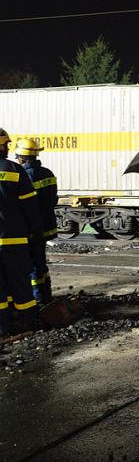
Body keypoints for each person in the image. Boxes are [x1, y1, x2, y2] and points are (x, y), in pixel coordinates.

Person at [0, 128, 42, 337]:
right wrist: (36, 231)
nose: (8, 148)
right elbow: (30, 207)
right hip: (13, 239)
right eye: (6, 145)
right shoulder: (15, 170)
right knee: (20, 283)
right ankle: (27, 321)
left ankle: (3, 326)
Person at [15, 138, 58, 304]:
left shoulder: (25, 176)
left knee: (31, 264)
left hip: (33, 228)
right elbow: (53, 199)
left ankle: (38, 300)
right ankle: (46, 295)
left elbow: (26, 205)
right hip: (47, 226)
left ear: (21, 157)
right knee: (41, 263)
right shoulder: (48, 172)